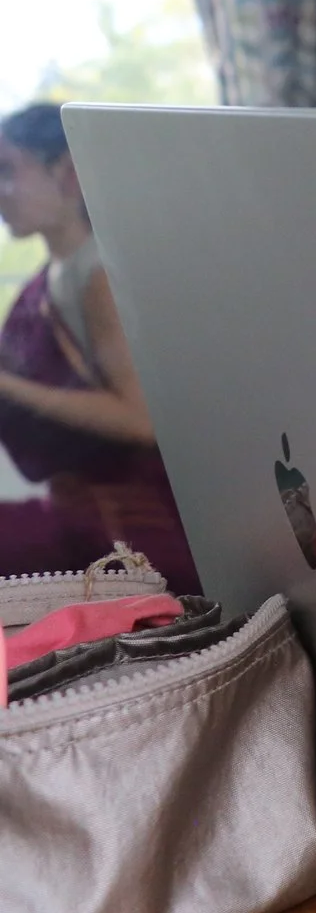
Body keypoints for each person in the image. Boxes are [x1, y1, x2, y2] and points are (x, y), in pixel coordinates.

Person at [0, 101, 199, 593]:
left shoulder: (97, 275)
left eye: (7, 171)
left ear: (67, 175)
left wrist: (8, 388)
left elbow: (138, 419)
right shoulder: (50, 279)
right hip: (78, 510)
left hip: (136, 534)